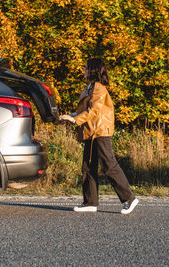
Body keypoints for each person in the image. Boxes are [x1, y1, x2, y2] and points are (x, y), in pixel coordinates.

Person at [59, 58, 138, 214]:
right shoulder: (89, 87)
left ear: (93, 70)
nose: (84, 70)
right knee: (88, 167)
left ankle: (129, 199)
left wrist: (75, 119)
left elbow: (94, 111)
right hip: (90, 132)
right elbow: (86, 110)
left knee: (109, 166)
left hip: (100, 132)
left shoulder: (98, 88)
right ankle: (90, 202)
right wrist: (70, 116)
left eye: (86, 68)